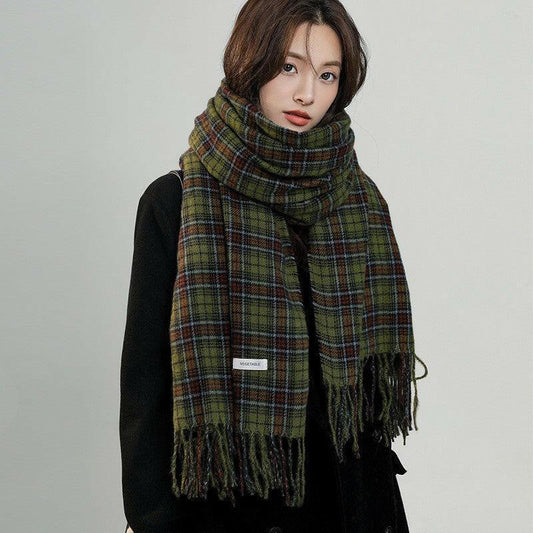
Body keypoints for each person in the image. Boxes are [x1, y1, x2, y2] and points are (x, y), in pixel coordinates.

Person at [119, 1, 428, 532]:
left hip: (349, 505)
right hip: (230, 507)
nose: (308, 93)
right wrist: (151, 521)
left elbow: (366, 401)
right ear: (250, 61)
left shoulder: (359, 202)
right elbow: (145, 391)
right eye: (289, 67)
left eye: (327, 75)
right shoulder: (176, 203)